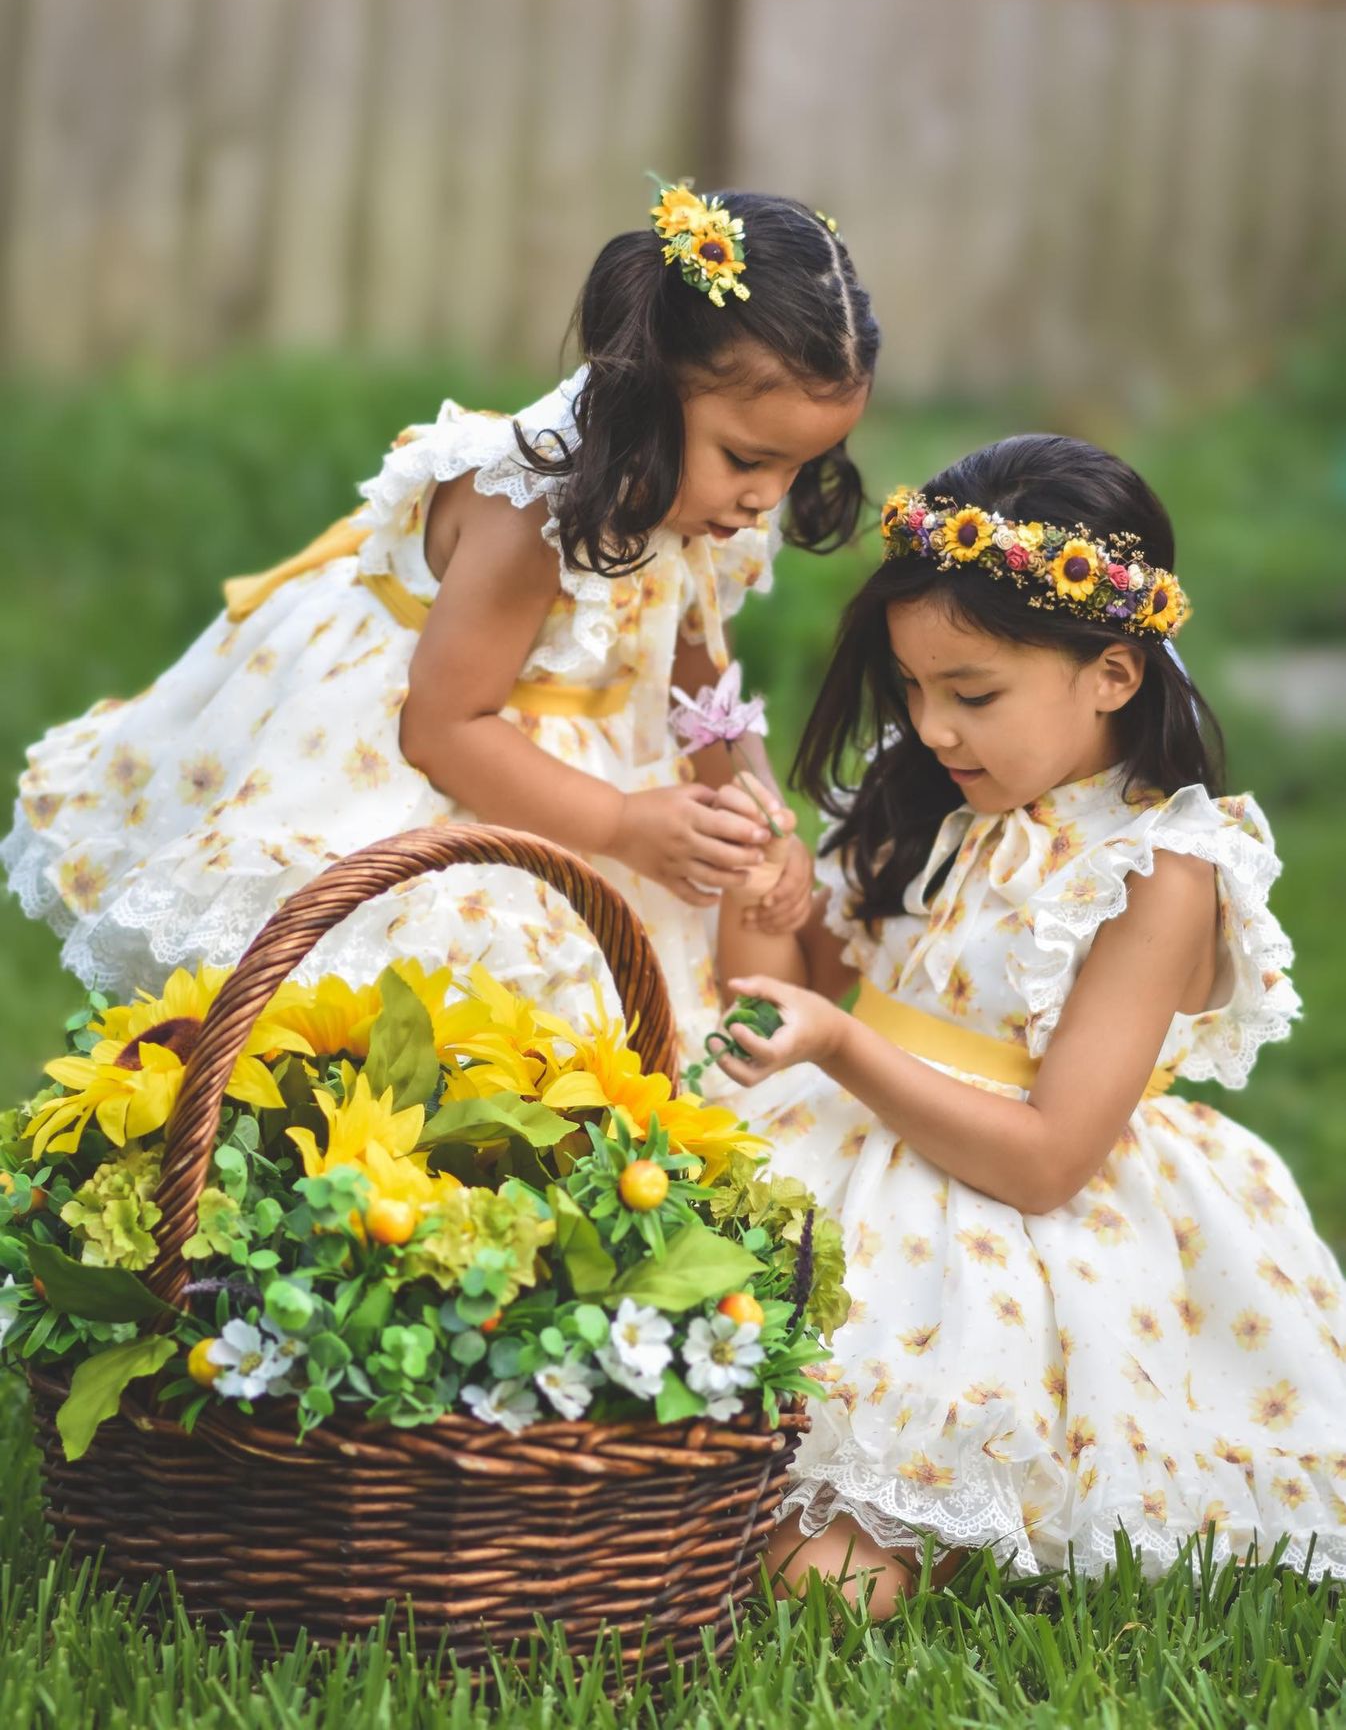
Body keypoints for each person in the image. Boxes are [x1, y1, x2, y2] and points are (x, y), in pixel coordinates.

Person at [2, 186, 876, 1055]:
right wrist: (621, 825)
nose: (767, 498)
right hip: (435, 754)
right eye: (749, 459)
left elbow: (700, 687)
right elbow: (444, 728)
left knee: (614, 1028)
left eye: (798, 468)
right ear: (652, 390)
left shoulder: (709, 507)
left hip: (584, 760)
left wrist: (753, 806)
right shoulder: (534, 507)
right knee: (438, 1013)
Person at [714, 433, 1345, 1612]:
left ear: (1111, 672)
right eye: (909, 687)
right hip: (838, 1149)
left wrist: (844, 1042)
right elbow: (790, 984)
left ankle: (950, 1511)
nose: (931, 725)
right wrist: (765, 898)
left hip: (1008, 1220)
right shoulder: (928, 789)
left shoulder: (1155, 867)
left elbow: (1049, 1157)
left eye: (971, 694)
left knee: (819, 1586)